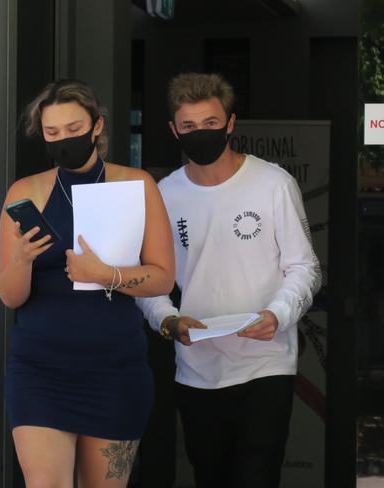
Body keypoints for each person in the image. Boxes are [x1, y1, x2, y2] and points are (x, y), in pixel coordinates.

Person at [136, 73, 322, 488]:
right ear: (174, 130)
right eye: (189, 126)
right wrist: (167, 321)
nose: (200, 133)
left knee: (258, 476)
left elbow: (304, 267)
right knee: (210, 477)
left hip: (266, 362)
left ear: (230, 124)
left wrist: (278, 314)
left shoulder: (273, 184)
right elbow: (150, 279)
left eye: (210, 124)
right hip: (197, 367)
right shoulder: (163, 194)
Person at [0, 79, 175, 488]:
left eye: (74, 129)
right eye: (52, 133)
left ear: (97, 127)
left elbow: (163, 276)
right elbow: (9, 295)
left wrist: (104, 275)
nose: (63, 140)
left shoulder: (136, 185)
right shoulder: (26, 192)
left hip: (114, 369)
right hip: (40, 370)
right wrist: (22, 259)